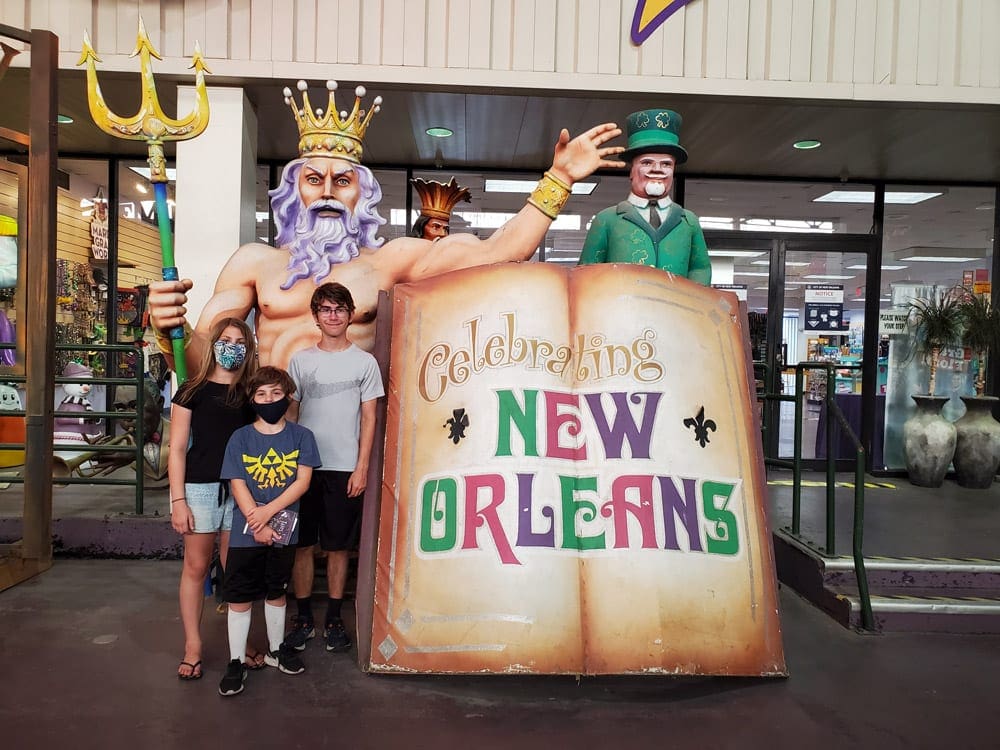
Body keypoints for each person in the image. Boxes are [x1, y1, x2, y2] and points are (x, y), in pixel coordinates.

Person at [147, 80, 625, 367]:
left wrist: (558, 178)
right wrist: (174, 331)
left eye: (343, 180)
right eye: (314, 180)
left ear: (364, 193)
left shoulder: (388, 263)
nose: (329, 191)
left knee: (349, 542)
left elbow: (497, 252)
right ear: (294, 192)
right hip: (272, 435)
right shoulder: (256, 263)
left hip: (358, 443)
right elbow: (208, 362)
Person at [283, 282, 384, 653]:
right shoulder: (300, 360)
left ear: (350, 314)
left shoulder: (364, 363)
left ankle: (335, 620)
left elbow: (370, 419)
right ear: (315, 316)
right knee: (303, 545)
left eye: (340, 309)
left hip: (345, 468)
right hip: (305, 467)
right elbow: (291, 412)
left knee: (339, 547)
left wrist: (361, 468)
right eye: (325, 309)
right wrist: (289, 462)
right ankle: (305, 618)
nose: (333, 315)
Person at [218, 365, 321, 696]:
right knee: (239, 596)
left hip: (283, 528)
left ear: (288, 396)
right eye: (261, 394)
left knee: (277, 589)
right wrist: (254, 519)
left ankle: (277, 650)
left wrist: (267, 513)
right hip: (245, 532)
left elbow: (302, 482)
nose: (269, 399)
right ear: (252, 399)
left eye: (277, 393)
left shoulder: (303, 437)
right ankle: (236, 661)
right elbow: (237, 483)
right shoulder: (240, 438)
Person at [168, 317, 258, 681]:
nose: (232, 346)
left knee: (235, 569)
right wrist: (178, 501)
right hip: (200, 489)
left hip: (242, 492)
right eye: (225, 339)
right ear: (213, 344)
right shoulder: (191, 391)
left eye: (240, 341)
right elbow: (176, 449)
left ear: (248, 349)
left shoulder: (253, 394)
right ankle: (193, 645)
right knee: (195, 567)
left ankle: (243, 644)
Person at [578, 108, 711, 285]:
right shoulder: (606, 220)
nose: (657, 169)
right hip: (622, 310)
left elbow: (700, 268)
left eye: (666, 164)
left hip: (675, 311)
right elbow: (586, 273)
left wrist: (694, 305)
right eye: (647, 162)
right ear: (631, 171)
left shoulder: (689, 221)